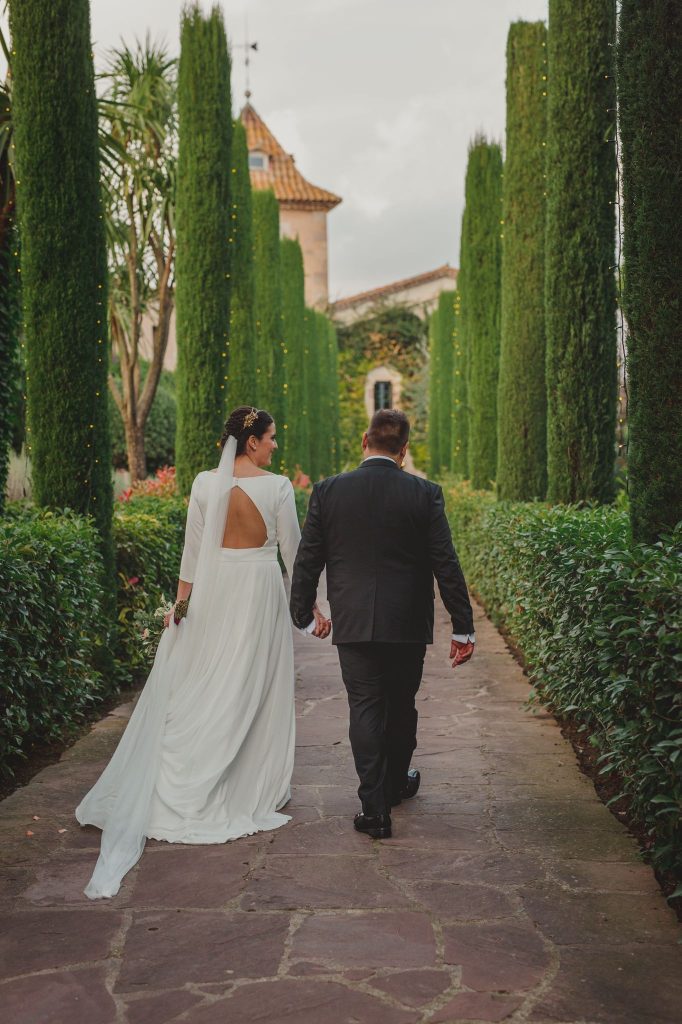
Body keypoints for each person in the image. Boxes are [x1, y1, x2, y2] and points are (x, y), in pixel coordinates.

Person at [76, 406, 329, 898]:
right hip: (257, 592)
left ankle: (188, 776)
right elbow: (295, 556)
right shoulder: (277, 488)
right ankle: (245, 785)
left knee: (210, 682)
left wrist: (181, 607)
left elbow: (191, 554)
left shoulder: (202, 483)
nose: (276, 445)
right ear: (252, 441)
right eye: (272, 437)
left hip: (214, 593)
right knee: (251, 686)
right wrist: (314, 607)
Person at [290, 408, 474, 839]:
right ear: (404, 451)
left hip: (353, 620)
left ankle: (374, 808)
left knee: (366, 707)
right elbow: (445, 563)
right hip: (407, 621)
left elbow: (307, 559)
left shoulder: (328, 491)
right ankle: (394, 785)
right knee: (401, 705)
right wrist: (462, 627)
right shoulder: (424, 493)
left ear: (363, 441)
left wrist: (303, 613)